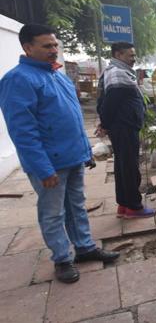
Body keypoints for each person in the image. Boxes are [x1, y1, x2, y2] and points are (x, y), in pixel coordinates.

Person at [0, 24, 119, 283]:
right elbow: (23, 131)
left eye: (55, 45)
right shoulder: (18, 80)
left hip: (73, 157)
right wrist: (43, 169)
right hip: (49, 164)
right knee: (53, 213)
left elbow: (74, 119)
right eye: (47, 46)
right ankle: (62, 259)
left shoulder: (58, 76)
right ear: (28, 48)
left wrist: (85, 151)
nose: (54, 50)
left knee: (76, 206)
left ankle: (85, 248)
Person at [97, 42, 156, 219]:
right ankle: (134, 207)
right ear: (119, 54)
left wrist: (105, 123)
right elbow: (110, 103)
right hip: (124, 127)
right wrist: (105, 124)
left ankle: (123, 204)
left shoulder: (117, 72)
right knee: (129, 167)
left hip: (122, 126)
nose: (134, 59)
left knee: (122, 166)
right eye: (130, 55)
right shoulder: (117, 73)